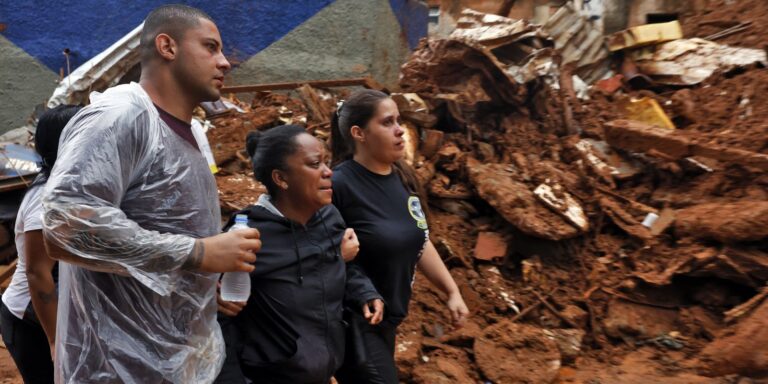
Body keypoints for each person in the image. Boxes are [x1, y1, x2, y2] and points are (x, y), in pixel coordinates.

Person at [41, 5, 260, 383]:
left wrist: (205, 280)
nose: (225, 62)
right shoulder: (122, 114)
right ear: (167, 46)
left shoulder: (188, 132)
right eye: (211, 47)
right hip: (117, 367)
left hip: (175, 358)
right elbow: (66, 223)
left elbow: (161, 230)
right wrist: (198, 253)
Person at [215, 125, 383, 384]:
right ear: (281, 179)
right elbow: (220, 318)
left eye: (326, 162)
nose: (328, 172)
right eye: (315, 164)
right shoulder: (247, 235)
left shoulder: (329, 218)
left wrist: (363, 291)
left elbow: (338, 263)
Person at [330, 89, 470, 384]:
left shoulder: (403, 178)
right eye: (387, 122)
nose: (400, 130)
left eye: (399, 121)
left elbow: (419, 239)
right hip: (353, 320)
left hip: (389, 318)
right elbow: (324, 250)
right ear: (359, 133)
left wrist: (451, 291)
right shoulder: (338, 184)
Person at [0, 105, 81, 384]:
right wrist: (55, 341)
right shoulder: (47, 198)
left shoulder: (72, 186)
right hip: (30, 320)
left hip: (53, 314)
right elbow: (38, 273)